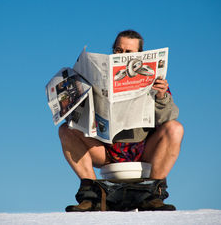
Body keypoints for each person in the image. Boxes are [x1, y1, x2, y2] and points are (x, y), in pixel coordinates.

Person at [59, 30, 184, 211]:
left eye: (128, 53)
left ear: (139, 55)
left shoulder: (155, 80)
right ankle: (92, 195)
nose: (122, 55)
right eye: (118, 50)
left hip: (143, 148)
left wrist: (162, 96)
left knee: (175, 128)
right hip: (106, 150)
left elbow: (168, 119)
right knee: (65, 130)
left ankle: (153, 195)